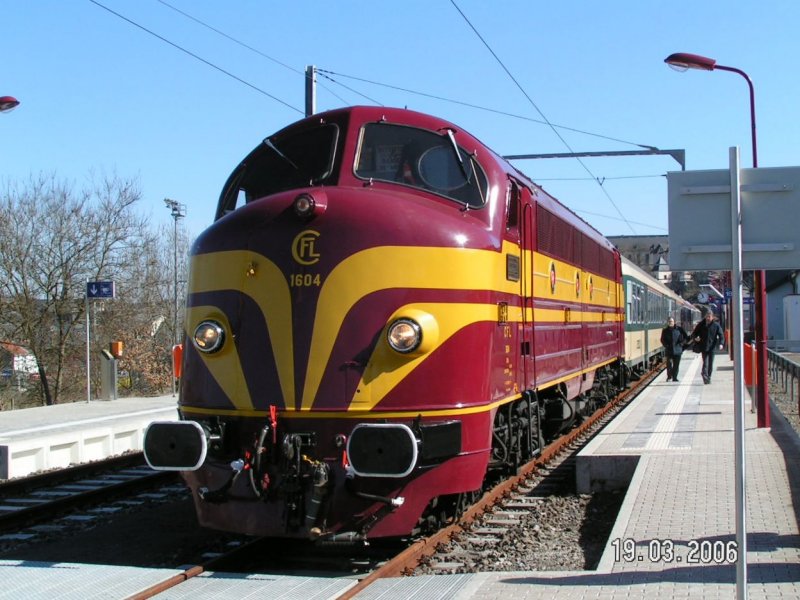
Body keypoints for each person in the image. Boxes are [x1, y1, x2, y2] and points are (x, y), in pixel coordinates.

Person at [690, 309, 724, 384]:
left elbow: (721, 335)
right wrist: (696, 338)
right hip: (704, 347)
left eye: (709, 317)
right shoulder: (701, 325)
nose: (708, 318)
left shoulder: (716, 325)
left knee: (710, 364)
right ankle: (705, 375)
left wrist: (721, 343)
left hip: (712, 347)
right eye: (707, 317)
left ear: (712, 317)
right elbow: (694, 333)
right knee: (705, 363)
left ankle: (708, 377)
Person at [660, 316, 689, 382]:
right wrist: (666, 345)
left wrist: (682, 344)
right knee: (669, 364)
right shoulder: (665, 330)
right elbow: (662, 339)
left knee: (676, 365)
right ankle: (669, 376)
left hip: (678, 350)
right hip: (669, 350)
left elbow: (686, 337)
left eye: (671, 321)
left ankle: (675, 377)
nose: (670, 323)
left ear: (674, 322)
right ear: (668, 323)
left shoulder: (679, 329)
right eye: (669, 321)